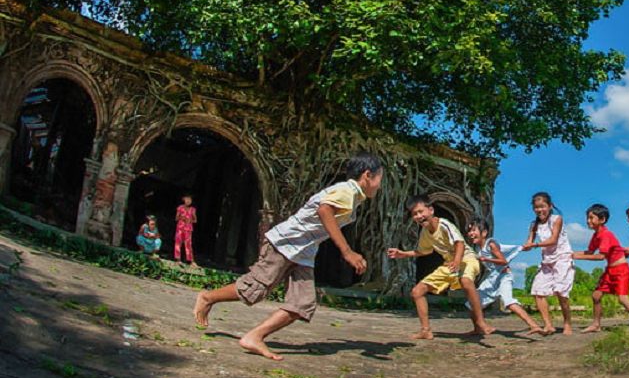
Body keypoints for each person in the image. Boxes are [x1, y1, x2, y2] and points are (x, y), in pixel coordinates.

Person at [192, 152, 383, 361]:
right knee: (255, 288)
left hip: (305, 251)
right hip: (286, 243)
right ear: (367, 175)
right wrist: (347, 251)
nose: (379, 185)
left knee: (303, 303)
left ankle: (255, 336)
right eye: (379, 179)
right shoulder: (347, 190)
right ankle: (207, 297)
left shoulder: (353, 196)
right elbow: (325, 210)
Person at [387, 194, 494, 339]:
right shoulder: (425, 232)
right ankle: (425, 330)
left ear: (431, 210)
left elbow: (459, 243)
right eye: (414, 214)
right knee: (417, 292)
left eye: (420, 211)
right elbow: (424, 251)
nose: (418, 216)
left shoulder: (444, 224)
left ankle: (480, 322)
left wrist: (457, 261)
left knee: (466, 281)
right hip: (449, 264)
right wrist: (403, 253)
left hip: (467, 259)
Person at [572, 204, 629, 334]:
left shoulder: (606, 235)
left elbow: (601, 256)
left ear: (602, 219)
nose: (588, 221)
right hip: (609, 271)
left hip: (621, 270)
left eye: (591, 218)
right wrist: (571, 254)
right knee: (596, 295)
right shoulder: (596, 236)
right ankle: (596, 324)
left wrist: (577, 257)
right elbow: (589, 251)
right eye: (587, 218)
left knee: (623, 298)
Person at [466, 217, 544, 335]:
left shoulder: (491, 244)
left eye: (474, 230)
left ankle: (534, 326)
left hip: (504, 276)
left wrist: (486, 259)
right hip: (493, 278)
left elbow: (503, 261)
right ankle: (478, 328)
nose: (471, 233)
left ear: (484, 233)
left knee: (508, 301)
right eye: (469, 231)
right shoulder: (478, 247)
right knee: (472, 302)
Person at [523, 192, 574, 336]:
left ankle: (567, 323)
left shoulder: (557, 219)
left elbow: (553, 240)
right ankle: (548, 325)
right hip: (547, 261)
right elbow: (529, 241)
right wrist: (524, 246)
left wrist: (535, 244)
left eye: (542, 207)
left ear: (550, 206)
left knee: (561, 293)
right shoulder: (534, 225)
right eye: (536, 208)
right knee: (538, 291)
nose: (539, 210)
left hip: (562, 258)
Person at [174, 193, 197, 267]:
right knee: (178, 243)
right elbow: (176, 218)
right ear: (183, 199)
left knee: (188, 244)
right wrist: (182, 218)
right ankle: (178, 259)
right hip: (180, 227)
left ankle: (190, 260)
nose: (188, 201)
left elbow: (195, 220)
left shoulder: (192, 209)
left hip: (188, 229)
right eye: (186, 199)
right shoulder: (180, 207)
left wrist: (190, 220)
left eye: (189, 199)